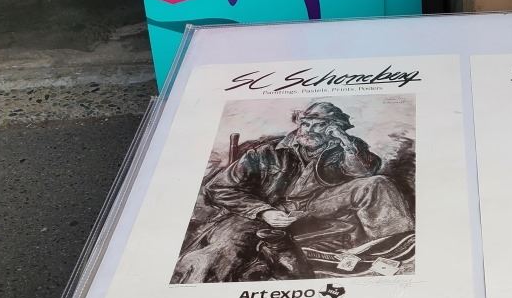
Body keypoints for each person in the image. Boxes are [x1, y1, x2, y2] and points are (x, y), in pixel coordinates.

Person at [173, 101, 413, 283]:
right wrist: (264, 211)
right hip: (267, 209)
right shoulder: (267, 151)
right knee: (229, 246)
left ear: (334, 128)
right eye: (306, 123)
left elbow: (365, 172)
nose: (309, 130)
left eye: (320, 125)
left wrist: (345, 141)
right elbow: (218, 188)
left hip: (317, 205)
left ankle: (396, 249)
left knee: (378, 184)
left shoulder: (345, 147)